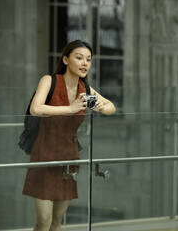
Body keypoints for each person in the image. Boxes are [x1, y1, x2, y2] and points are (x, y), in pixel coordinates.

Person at [22, 40, 116, 231]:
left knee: (57, 220)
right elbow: (36, 108)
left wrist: (101, 107)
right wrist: (70, 108)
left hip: (69, 157)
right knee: (44, 220)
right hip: (45, 156)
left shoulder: (85, 90)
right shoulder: (50, 80)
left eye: (88, 60)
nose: (84, 63)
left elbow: (112, 107)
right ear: (65, 59)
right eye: (79, 58)